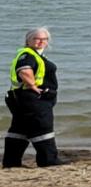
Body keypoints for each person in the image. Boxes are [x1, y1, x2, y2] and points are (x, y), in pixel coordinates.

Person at [4, 27, 65, 168]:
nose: (41, 41)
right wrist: (33, 86)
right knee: (42, 127)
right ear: (28, 40)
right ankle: (49, 161)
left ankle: (11, 162)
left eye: (44, 39)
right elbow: (24, 70)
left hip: (22, 98)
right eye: (37, 38)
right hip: (32, 99)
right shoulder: (28, 55)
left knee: (20, 130)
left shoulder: (35, 55)